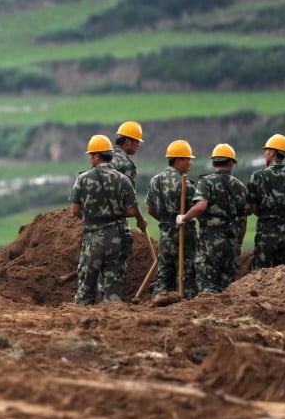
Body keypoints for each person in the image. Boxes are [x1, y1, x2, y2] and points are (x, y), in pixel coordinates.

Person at [70, 134, 144, 304]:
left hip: (92, 239)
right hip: (117, 238)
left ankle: (83, 321)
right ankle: (113, 323)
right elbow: (132, 211)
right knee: (113, 287)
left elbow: (74, 211)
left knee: (86, 288)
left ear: (96, 156)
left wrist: (91, 218)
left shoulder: (83, 179)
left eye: (91, 155)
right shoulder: (123, 179)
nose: (90, 159)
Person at [177, 143, 250, 294]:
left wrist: (184, 218)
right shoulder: (240, 186)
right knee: (227, 286)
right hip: (230, 241)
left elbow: (200, 206)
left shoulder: (206, 182)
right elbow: (243, 219)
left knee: (207, 286)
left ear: (213, 162)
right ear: (231, 163)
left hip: (209, 241)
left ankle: (209, 315)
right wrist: (239, 244)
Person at [145, 140, 198, 298]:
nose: (191, 163)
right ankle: (187, 307)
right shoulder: (186, 185)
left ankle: (158, 304)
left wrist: (165, 222)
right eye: (188, 159)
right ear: (178, 160)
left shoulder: (155, 180)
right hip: (184, 233)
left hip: (165, 233)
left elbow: (150, 209)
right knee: (187, 274)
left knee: (164, 273)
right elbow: (195, 209)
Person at [248, 134, 285, 270]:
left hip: (266, 227)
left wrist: (266, 216)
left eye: (266, 151)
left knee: (260, 271)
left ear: (273, 153)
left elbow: (253, 206)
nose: (265, 155)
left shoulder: (257, 176)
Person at [103, 120, 147, 300]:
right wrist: (139, 219)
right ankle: (111, 301)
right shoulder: (126, 165)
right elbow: (130, 200)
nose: (138, 146)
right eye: (136, 142)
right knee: (116, 264)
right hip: (116, 223)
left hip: (96, 221)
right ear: (127, 142)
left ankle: (101, 298)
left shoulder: (103, 157)